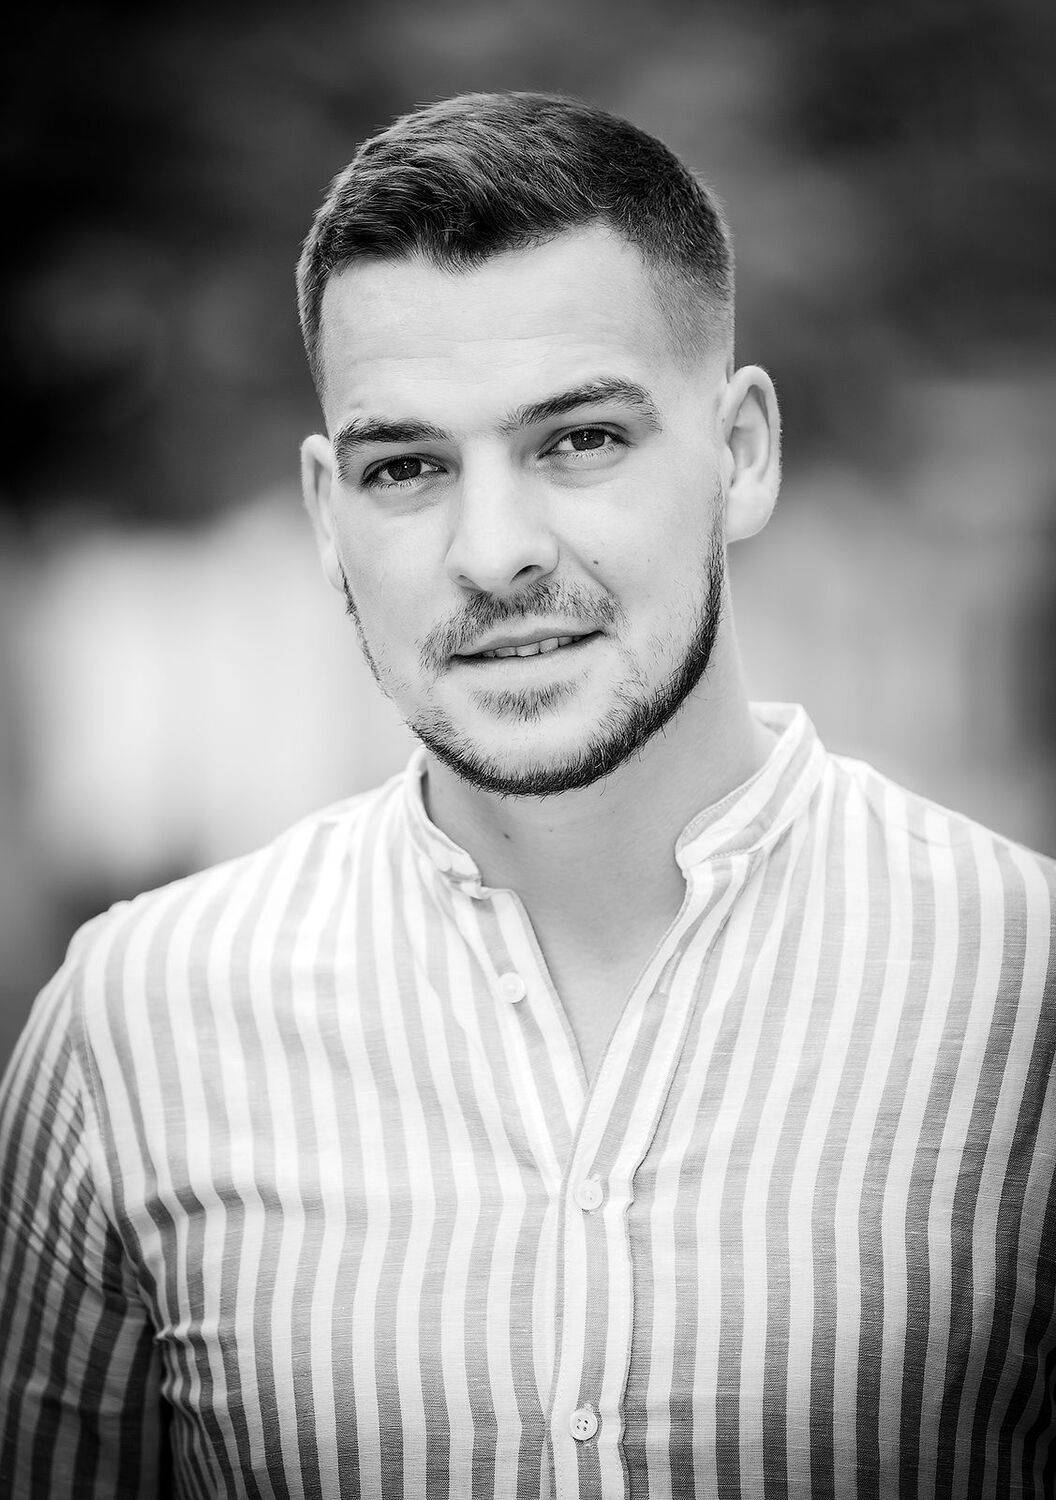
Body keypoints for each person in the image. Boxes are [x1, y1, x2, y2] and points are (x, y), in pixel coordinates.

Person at [1, 90, 1053, 1500]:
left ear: (742, 452)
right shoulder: (134, 1027)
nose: (493, 552)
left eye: (581, 440)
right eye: (407, 467)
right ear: (326, 513)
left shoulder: (1026, 990)